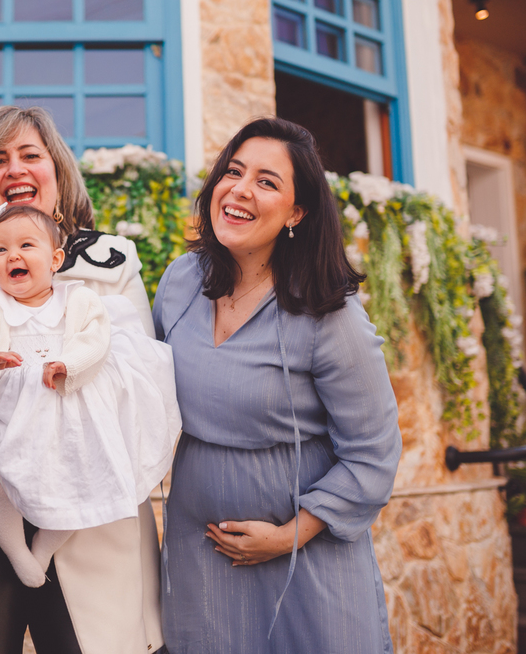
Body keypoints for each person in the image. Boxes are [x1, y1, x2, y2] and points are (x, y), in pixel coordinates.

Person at [0, 105, 167, 654]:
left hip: (90, 511)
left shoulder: (112, 259)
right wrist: (0, 443)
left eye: (31, 155)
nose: (16, 169)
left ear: (57, 170)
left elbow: (140, 382)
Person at [153, 117, 402, 653]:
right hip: (202, 557)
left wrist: (289, 536)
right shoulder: (178, 284)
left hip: (306, 561)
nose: (241, 189)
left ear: (297, 211)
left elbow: (373, 452)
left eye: (267, 181)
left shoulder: (329, 314)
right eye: (234, 172)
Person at [0, 204, 180, 588]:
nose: (13, 255)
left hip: (65, 409)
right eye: (0, 250)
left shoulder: (79, 300)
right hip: (12, 415)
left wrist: (69, 365)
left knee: (77, 482)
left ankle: (43, 548)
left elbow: (97, 342)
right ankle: (17, 552)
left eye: (27, 245)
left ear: (55, 259)